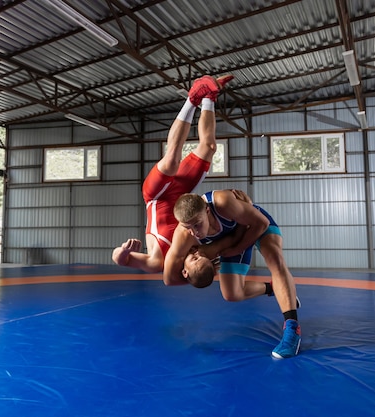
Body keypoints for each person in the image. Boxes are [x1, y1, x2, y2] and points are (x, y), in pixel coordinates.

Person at [111, 74, 233, 273]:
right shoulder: (197, 242)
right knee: (209, 147)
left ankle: (192, 99)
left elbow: (119, 259)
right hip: (183, 192)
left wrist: (123, 252)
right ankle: (209, 97)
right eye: (203, 261)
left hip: (156, 196)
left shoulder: (158, 262)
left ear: (184, 271)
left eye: (195, 262)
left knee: (170, 162)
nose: (197, 257)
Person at [163, 189, 301, 359]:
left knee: (274, 258)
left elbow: (261, 223)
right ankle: (275, 289)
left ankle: (292, 329)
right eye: (187, 227)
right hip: (231, 241)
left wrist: (233, 248)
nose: (195, 233)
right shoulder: (183, 236)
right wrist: (200, 274)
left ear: (207, 211)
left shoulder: (222, 202)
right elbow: (168, 279)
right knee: (232, 294)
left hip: (253, 225)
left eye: (197, 224)